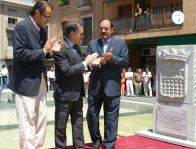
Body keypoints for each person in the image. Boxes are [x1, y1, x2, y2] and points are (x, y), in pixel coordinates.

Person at [10, 1, 62, 149]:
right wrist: (44, 51)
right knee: (27, 121)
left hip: (41, 81)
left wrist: (52, 50)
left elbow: (41, 55)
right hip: (25, 82)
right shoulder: (21, 27)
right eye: (47, 17)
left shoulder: (43, 30)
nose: (49, 20)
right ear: (37, 13)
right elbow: (19, 53)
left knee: (41, 119)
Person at [53, 21, 98, 149]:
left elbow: (81, 65)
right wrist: (85, 63)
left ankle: (79, 147)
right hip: (64, 94)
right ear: (72, 33)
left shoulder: (76, 47)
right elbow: (67, 70)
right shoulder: (61, 47)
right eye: (80, 34)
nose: (82, 36)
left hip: (77, 93)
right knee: (61, 126)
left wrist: (93, 62)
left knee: (78, 124)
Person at [86, 19, 129, 149]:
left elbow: (125, 61)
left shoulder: (121, 43)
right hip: (95, 86)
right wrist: (92, 62)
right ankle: (96, 141)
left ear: (112, 29)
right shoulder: (92, 43)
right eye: (101, 28)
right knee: (92, 115)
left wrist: (111, 59)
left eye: (106, 28)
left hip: (112, 87)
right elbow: (87, 60)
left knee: (111, 118)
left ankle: (109, 144)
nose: (103, 31)